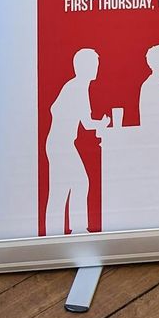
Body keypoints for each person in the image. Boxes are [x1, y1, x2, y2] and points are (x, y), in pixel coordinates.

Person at [45, 48, 109, 235]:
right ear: (84, 67)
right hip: (60, 144)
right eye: (94, 64)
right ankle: (62, 231)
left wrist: (99, 123)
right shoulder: (77, 87)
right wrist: (102, 123)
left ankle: (67, 230)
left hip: (61, 143)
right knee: (70, 186)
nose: (97, 68)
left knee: (71, 185)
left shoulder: (76, 86)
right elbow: (87, 123)